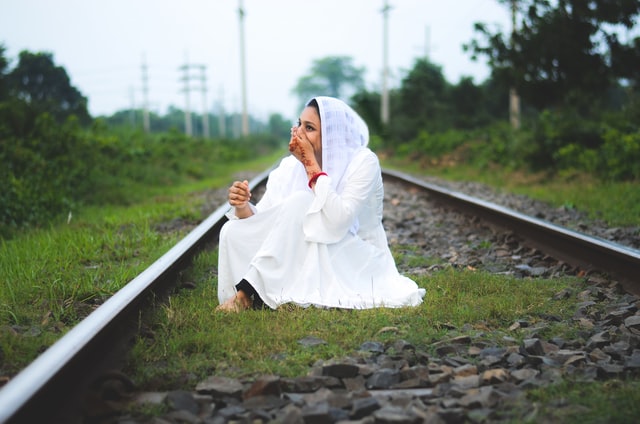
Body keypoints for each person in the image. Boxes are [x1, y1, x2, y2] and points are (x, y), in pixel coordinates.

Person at [216, 96, 425, 312]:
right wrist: (242, 206)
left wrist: (310, 164)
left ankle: (247, 293)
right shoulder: (288, 167)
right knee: (232, 230)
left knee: (301, 201)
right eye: (299, 124)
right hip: (307, 249)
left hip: (353, 256)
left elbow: (339, 220)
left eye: (309, 128)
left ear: (332, 135)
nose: (299, 133)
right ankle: (258, 291)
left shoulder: (363, 161)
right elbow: (266, 224)